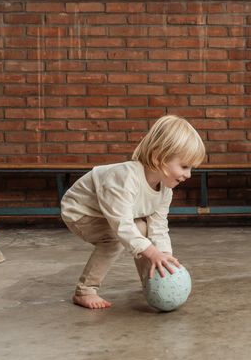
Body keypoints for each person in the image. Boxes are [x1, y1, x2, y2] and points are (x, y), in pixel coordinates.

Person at [61, 114, 205, 309]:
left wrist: (164, 259)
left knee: (142, 228)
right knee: (113, 239)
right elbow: (121, 225)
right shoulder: (125, 178)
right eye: (184, 166)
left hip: (109, 214)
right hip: (80, 211)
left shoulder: (165, 190)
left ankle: (152, 281)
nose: (188, 175)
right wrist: (151, 252)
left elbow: (159, 228)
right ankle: (85, 290)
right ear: (159, 158)